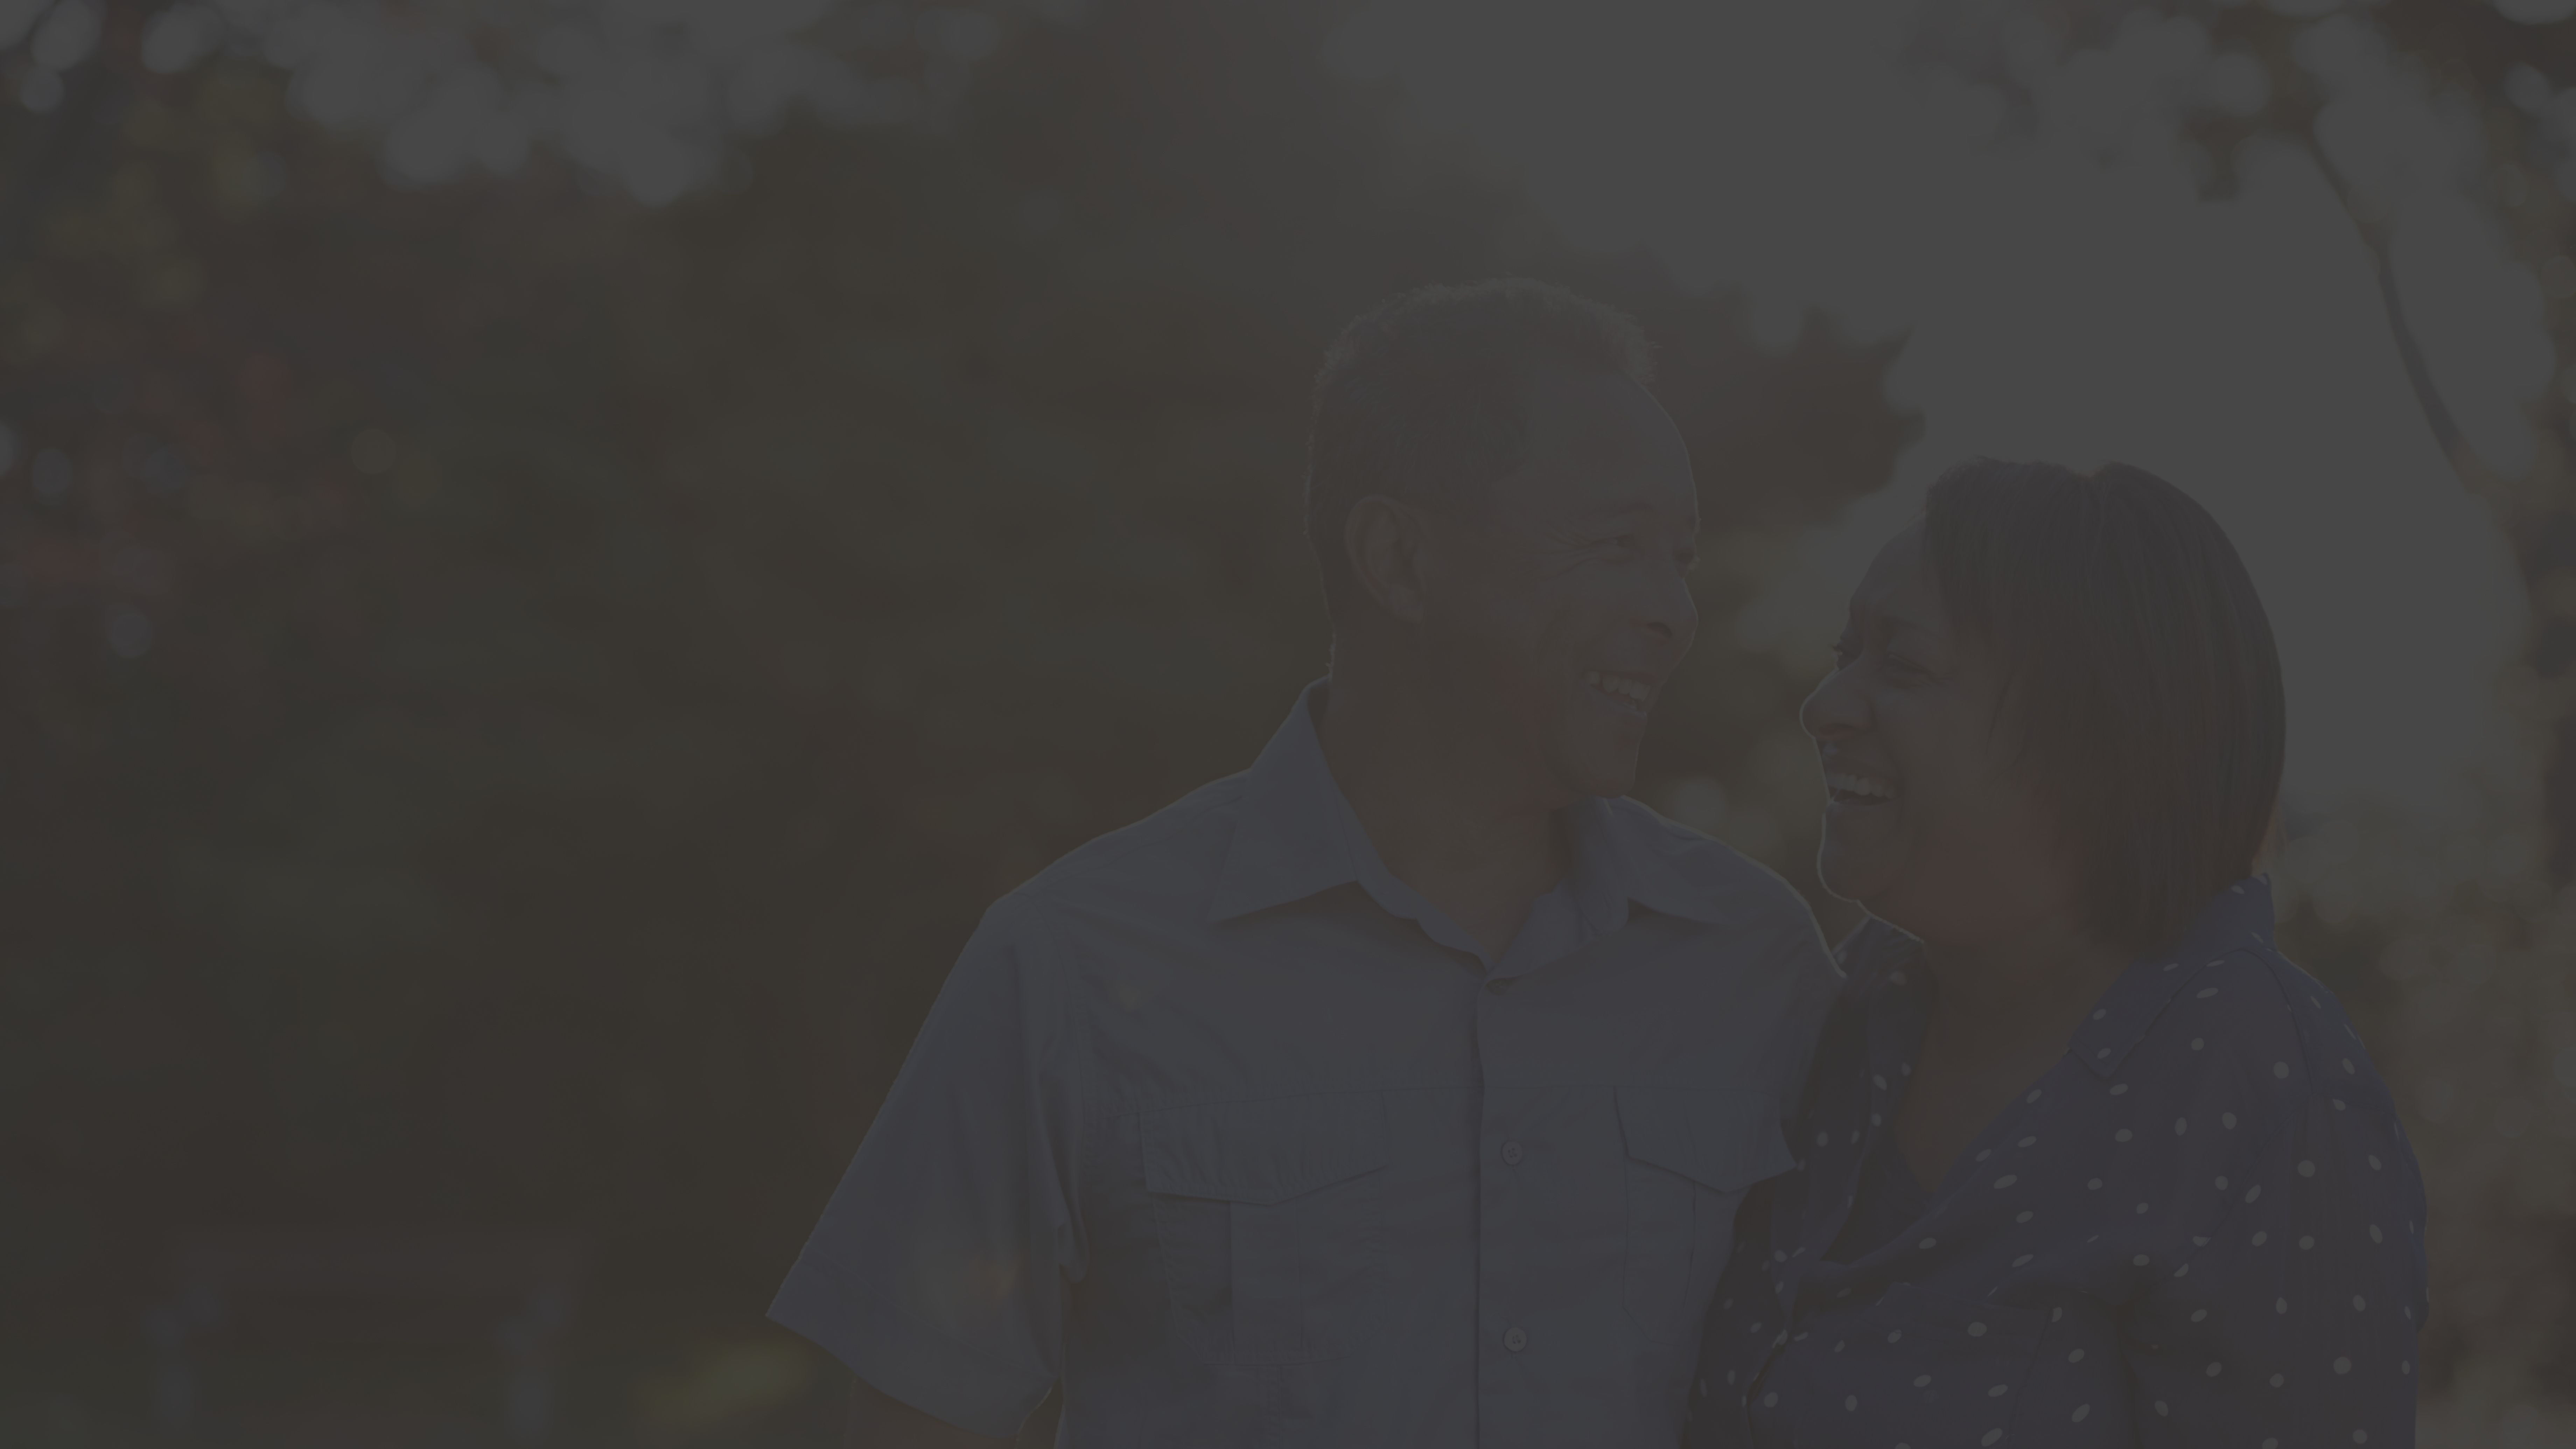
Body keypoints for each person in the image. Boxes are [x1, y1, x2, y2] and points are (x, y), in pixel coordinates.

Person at [770, 278, 1841, 1448]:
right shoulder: (1068, 965)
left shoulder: (1762, 965)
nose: (1674, 611)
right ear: (1399, 558)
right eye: (1617, 544)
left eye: (1678, 556)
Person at [1688, 458, 2429, 1448]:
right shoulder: (1862, 998)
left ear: (2100, 728)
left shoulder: (2267, 1086)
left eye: (1900, 665)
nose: (1825, 705)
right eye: (1844, 653)